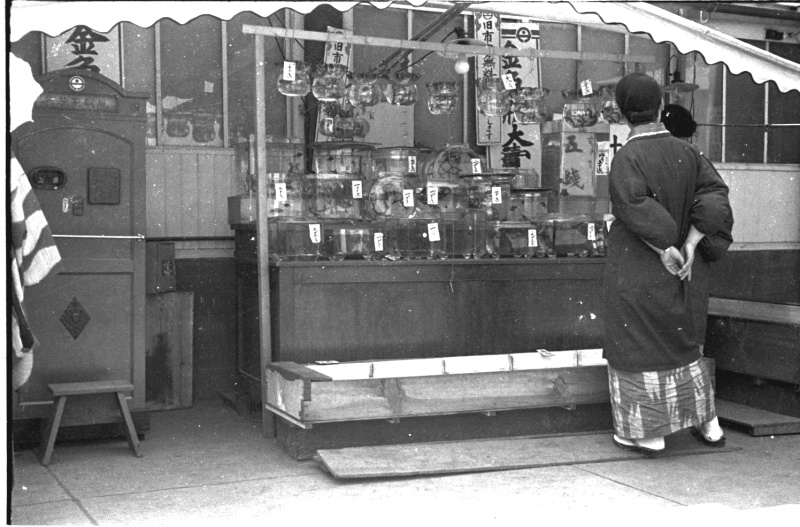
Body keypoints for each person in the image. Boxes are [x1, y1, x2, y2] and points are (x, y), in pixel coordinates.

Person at [603, 73, 731, 455]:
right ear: (660, 107)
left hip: (638, 267)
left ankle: (648, 434)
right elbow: (715, 197)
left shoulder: (627, 157)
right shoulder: (688, 152)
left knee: (635, 344)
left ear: (621, 113)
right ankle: (709, 424)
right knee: (684, 342)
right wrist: (690, 242)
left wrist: (666, 246)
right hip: (685, 268)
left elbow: (634, 208)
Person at [660, 104, 735, 358]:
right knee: (689, 330)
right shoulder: (697, 160)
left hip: (660, 252)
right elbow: (717, 209)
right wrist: (692, 241)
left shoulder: (651, 158)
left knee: (660, 330)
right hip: (693, 254)